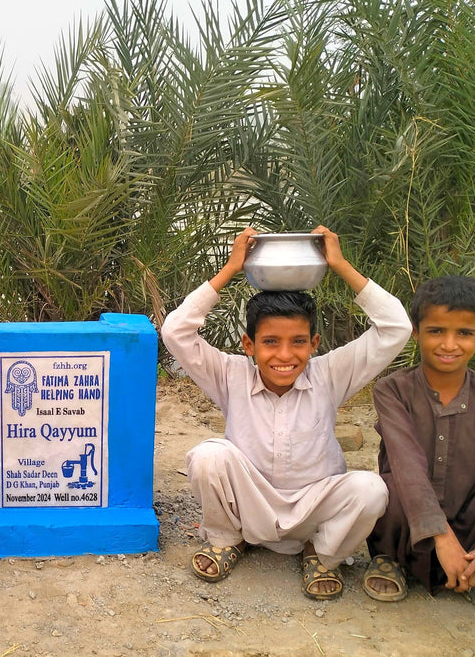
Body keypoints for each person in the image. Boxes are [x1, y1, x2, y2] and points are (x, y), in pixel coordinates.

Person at [161, 226, 411, 600]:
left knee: (371, 490)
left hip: (314, 510)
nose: (284, 355)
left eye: (297, 342)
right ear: (249, 345)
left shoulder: (329, 373)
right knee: (208, 457)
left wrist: (339, 265)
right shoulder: (231, 374)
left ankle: (321, 553)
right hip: (251, 504)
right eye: (270, 342)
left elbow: (396, 328)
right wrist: (230, 268)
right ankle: (227, 538)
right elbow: (175, 331)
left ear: (314, 343)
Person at [364, 275, 475, 609]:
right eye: (437, 331)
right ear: (416, 331)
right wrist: (439, 533)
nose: (449, 345)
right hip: (406, 527)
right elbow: (407, 463)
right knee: (388, 487)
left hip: (470, 526)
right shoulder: (392, 391)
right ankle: (390, 560)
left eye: (464, 333)